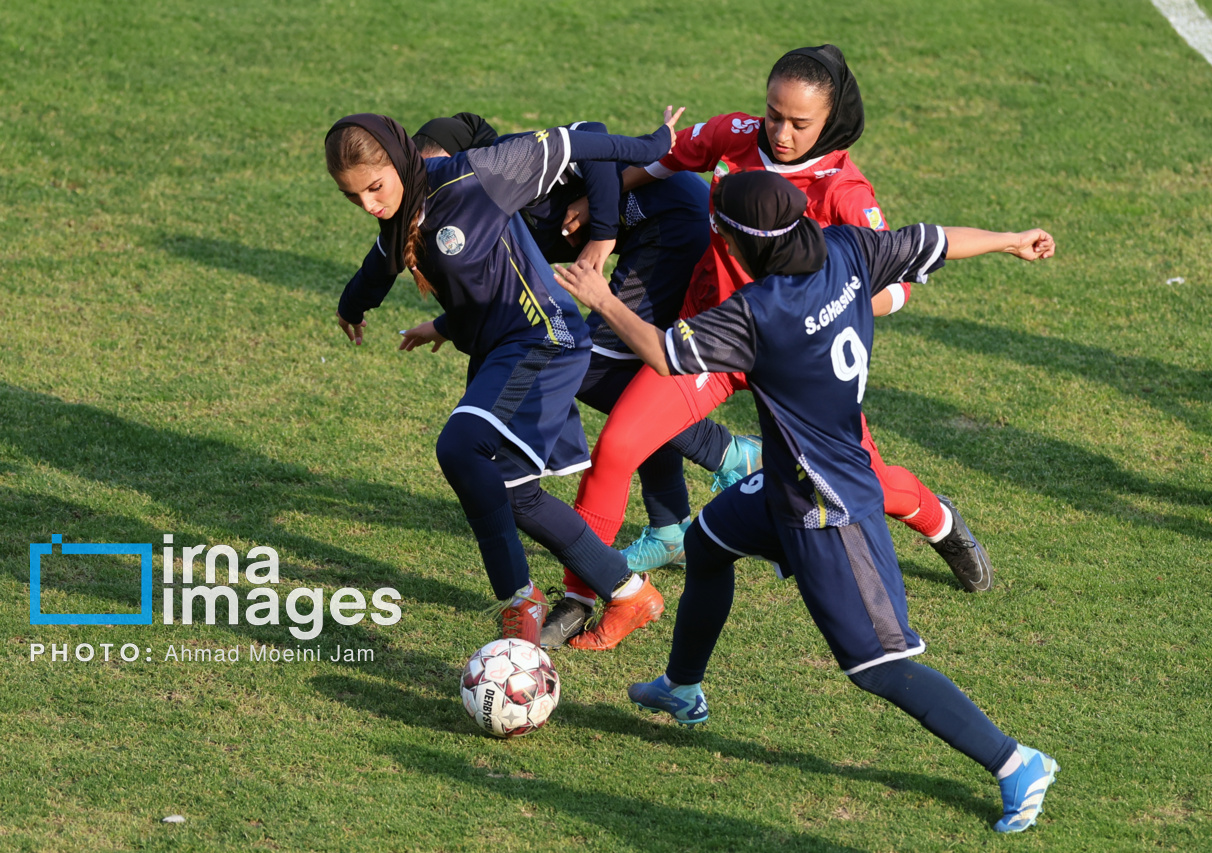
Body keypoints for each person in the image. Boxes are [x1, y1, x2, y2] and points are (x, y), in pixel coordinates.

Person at [553, 170, 1059, 834]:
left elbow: (663, 353)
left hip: (828, 509)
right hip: (791, 481)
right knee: (707, 545)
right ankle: (681, 688)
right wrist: (1008, 240)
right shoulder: (849, 248)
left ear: (735, 247)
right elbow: (933, 237)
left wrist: (601, 297)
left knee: (880, 666)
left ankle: (1016, 761)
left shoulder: (760, 313)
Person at [565, 45, 993, 653]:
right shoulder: (735, 136)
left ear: (831, 120)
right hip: (715, 343)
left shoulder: (846, 192)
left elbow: (894, 288)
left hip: (799, 367)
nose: (782, 133)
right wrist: (597, 208)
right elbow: (664, 159)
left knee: (862, 486)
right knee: (617, 448)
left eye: (800, 124)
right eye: (774, 116)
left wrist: (818, 313)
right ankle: (584, 596)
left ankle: (938, 519)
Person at [325, 109, 683, 644]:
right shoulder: (399, 219)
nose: (370, 205)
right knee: (515, 493)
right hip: (505, 351)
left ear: (399, 159)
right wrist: (352, 308)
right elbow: (378, 267)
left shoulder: (479, 174)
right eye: (354, 198)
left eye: (374, 188)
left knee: (460, 447)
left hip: (544, 338)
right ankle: (629, 593)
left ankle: (520, 599)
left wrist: (658, 144)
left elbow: (579, 141)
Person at [409, 113, 716, 648]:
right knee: (530, 464)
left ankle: (722, 458)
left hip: (664, 233)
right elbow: (495, 291)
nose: (428, 189)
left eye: (434, 171)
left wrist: (602, 231)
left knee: (598, 399)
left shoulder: (500, 176)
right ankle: (648, 551)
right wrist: (442, 323)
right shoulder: (459, 214)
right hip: (551, 323)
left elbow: (589, 134)